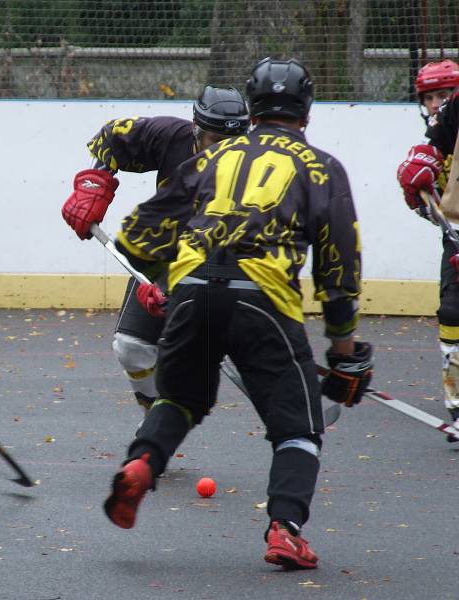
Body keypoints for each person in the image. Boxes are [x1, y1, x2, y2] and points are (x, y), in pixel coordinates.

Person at [101, 57, 373, 570]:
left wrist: (158, 283)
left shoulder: (212, 159)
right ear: (306, 111)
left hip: (192, 293)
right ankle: (286, 529)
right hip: (262, 297)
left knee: (179, 399)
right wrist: (344, 352)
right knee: (298, 425)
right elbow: (340, 270)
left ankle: (141, 463)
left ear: (251, 108)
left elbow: (137, 237)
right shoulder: (321, 167)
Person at [61, 86, 250, 415]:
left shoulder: (261, 168)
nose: (221, 153)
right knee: (131, 347)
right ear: (196, 130)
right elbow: (113, 137)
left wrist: (186, 298)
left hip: (230, 266)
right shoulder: (168, 136)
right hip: (168, 252)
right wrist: (95, 184)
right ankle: (156, 415)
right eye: (213, 142)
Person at [396, 60, 459, 439]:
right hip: (456, 235)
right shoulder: (440, 129)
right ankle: (457, 403)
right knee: (452, 312)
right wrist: (415, 189)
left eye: (444, 94)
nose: (437, 103)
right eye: (430, 97)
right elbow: (425, 197)